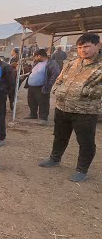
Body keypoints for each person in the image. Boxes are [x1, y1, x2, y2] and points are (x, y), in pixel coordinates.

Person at [38, 33, 102, 183]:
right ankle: (54, 159)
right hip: (62, 108)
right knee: (60, 137)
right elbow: (59, 80)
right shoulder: (72, 63)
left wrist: (82, 91)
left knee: (85, 142)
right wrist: (57, 90)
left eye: (86, 47)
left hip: (85, 112)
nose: (83, 50)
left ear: (98, 45)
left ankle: (82, 170)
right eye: (80, 47)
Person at [24, 49, 60, 124]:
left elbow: (55, 75)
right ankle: (33, 114)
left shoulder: (52, 64)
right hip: (32, 86)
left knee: (43, 102)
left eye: (35, 56)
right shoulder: (37, 63)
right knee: (31, 101)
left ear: (39, 56)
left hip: (42, 86)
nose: (34, 58)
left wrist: (48, 85)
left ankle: (43, 117)